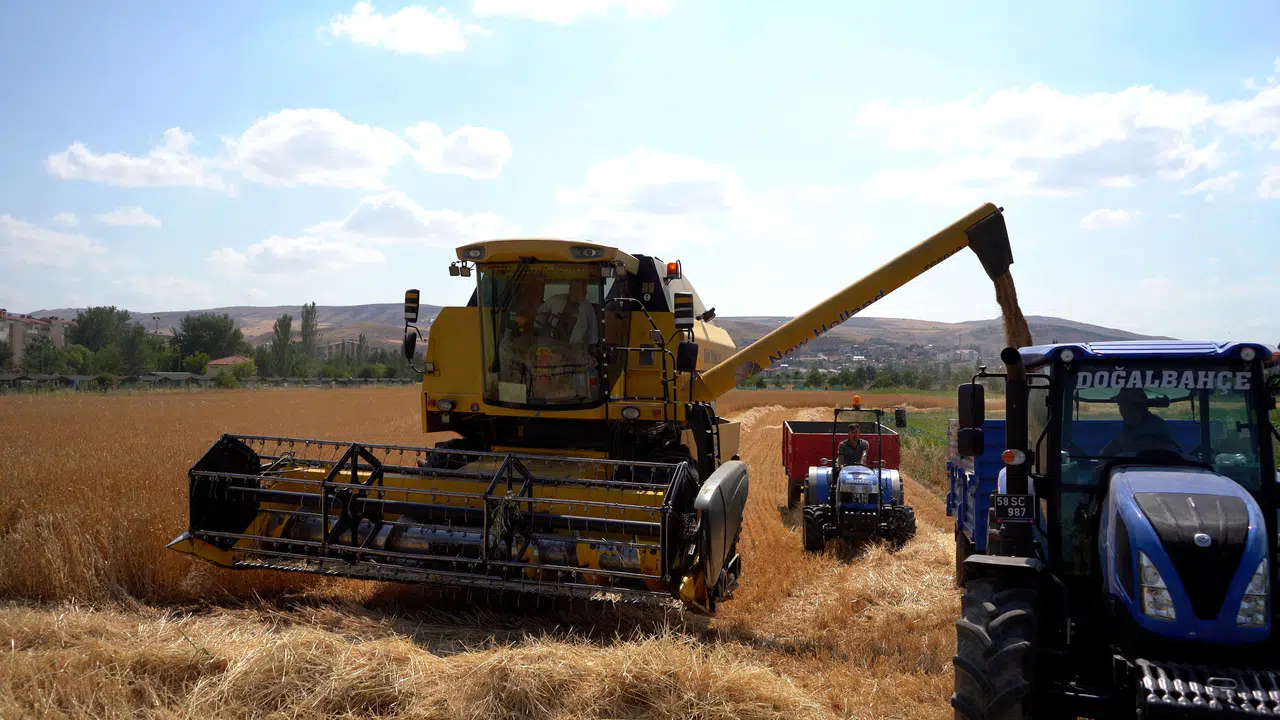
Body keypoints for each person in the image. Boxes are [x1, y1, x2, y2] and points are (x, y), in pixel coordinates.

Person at [1099, 387, 1180, 457]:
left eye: (1127, 407)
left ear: (1141, 407)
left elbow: (1162, 452)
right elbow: (1109, 450)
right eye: (1121, 406)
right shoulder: (1129, 427)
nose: (1122, 411)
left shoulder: (1156, 425)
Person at [535, 279, 599, 345]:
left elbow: (592, 331)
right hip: (550, 346)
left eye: (580, 289)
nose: (578, 292)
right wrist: (539, 335)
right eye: (575, 289)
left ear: (585, 291)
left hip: (575, 349)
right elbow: (539, 319)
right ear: (570, 289)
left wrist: (592, 347)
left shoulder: (588, 307)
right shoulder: (555, 301)